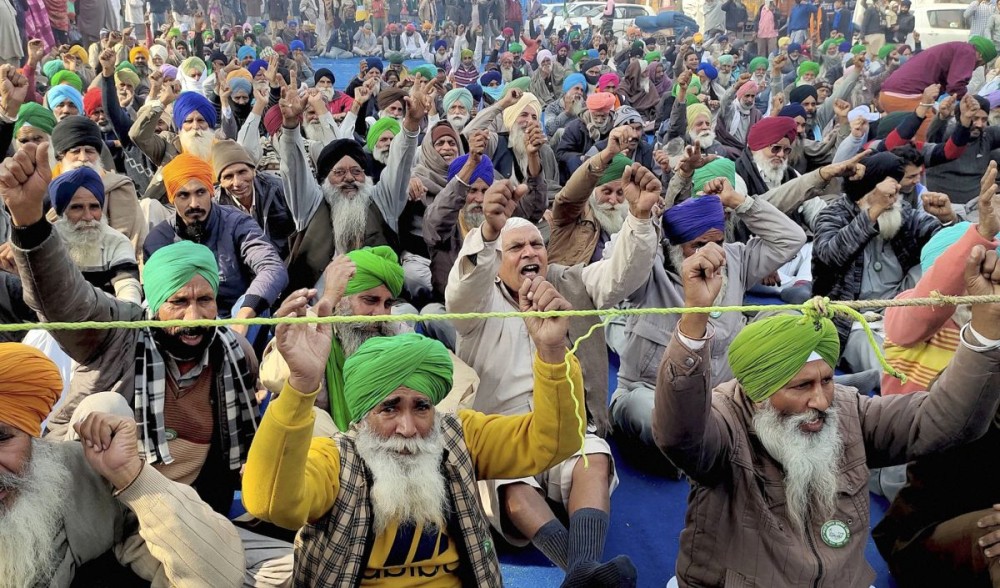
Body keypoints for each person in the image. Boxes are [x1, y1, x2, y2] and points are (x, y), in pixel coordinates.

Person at [0, 140, 294, 583]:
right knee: (106, 410)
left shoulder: (236, 354)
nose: (194, 317)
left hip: (186, 515)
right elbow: (67, 303)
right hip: (103, 506)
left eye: (205, 301)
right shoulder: (120, 335)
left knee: (290, 568)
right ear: (153, 305)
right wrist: (29, 223)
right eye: (178, 302)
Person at [654, 238, 1000, 587]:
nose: (821, 401)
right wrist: (695, 316)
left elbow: (943, 422)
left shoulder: (847, 409)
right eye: (802, 386)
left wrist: (986, 331)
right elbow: (678, 435)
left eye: (826, 381)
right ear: (759, 392)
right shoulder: (727, 422)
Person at [242, 278, 595, 585]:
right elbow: (270, 503)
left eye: (422, 407)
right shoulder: (336, 460)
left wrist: (550, 351)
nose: (408, 429)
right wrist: (302, 385)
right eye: (389, 408)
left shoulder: (458, 437)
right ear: (363, 415)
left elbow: (553, 442)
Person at [445, 160, 660, 582]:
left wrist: (638, 216)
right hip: (501, 430)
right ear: (498, 260)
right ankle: (582, 571)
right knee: (513, 487)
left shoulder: (568, 282)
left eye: (536, 246)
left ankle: (578, 572)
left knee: (594, 460)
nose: (529, 253)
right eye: (516, 248)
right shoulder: (478, 301)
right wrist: (487, 233)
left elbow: (621, 276)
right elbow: (461, 289)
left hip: (567, 423)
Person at [0, 343, 247, 587]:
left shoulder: (79, 484)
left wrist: (131, 475)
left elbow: (217, 578)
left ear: (33, 440)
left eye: (1, 438)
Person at [276, 81, 430, 293]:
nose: (349, 178)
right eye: (339, 173)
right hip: (319, 307)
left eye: (357, 172)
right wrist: (291, 127)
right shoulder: (310, 205)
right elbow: (293, 168)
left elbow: (400, 164)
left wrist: (412, 124)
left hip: (377, 304)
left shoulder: (382, 202)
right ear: (325, 179)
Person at [144, 154, 288, 325]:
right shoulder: (159, 239)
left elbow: (273, 268)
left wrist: (243, 315)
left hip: (238, 317)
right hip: (186, 321)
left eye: (200, 192)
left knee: (259, 302)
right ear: (171, 198)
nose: (194, 204)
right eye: (183, 195)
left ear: (211, 192)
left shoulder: (236, 223)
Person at [47, 166, 141, 304]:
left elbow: (129, 293)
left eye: (94, 207)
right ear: (62, 213)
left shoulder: (117, 242)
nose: (88, 216)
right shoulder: (48, 243)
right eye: (77, 207)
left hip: (107, 319)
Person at [212, 140, 296, 260]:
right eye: (228, 177)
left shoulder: (279, 189)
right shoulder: (216, 206)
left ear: (253, 171)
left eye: (242, 172)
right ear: (221, 182)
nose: (237, 183)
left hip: (288, 263)